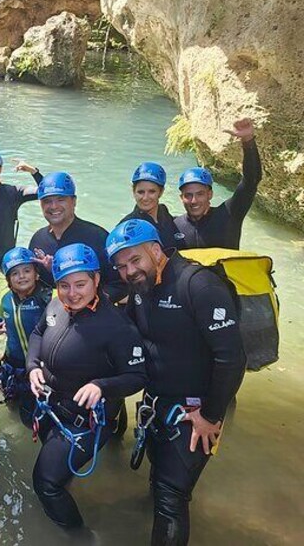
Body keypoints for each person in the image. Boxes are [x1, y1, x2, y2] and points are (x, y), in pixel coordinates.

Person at [106, 219, 245, 545]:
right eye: (122, 266)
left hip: (195, 413)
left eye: (135, 260)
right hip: (157, 406)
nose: (129, 271)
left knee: (171, 497)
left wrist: (211, 415)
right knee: (159, 481)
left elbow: (232, 358)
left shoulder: (199, 287)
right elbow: (126, 336)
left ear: (156, 250)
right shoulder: (141, 289)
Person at [26, 243, 147, 530]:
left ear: (96, 280)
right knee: (58, 475)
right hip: (51, 409)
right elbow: (37, 332)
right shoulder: (56, 304)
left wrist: (101, 386)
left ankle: (81, 536)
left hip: (86, 421)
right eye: (64, 285)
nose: (73, 293)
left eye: (81, 284)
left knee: (46, 483)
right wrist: (32, 367)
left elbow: (138, 376)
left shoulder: (117, 326)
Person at [28, 171, 125, 301]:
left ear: (73, 201)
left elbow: (120, 284)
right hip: (53, 314)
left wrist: (89, 302)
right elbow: (35, 285)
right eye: (47, 201)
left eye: (60, 199)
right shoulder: (38, 240)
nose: (53, 206)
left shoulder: (97, 237)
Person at [0, 247, 51, 424]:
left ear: (36, 274)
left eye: (27, 271)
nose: (21, 276)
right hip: (13, 364)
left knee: (33, 415)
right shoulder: (6, 299)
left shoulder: (48, 298)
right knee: (12, 405)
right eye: (15, 273)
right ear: (8, 280)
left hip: (40, 366)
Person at [174, 117, 262, 249]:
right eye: (188, 195)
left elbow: (251, 181)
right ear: (181, 198)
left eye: (200, 194)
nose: (194, 200)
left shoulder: (228, 215)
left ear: (210, 194)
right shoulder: (175, 225)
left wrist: (248, 140)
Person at [119, 162, 183, 250]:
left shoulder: (163, 211)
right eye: (141, 192)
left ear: (161, 192)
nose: (145, 198)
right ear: (134, 192)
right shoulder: (127, 226)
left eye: (152, 192)